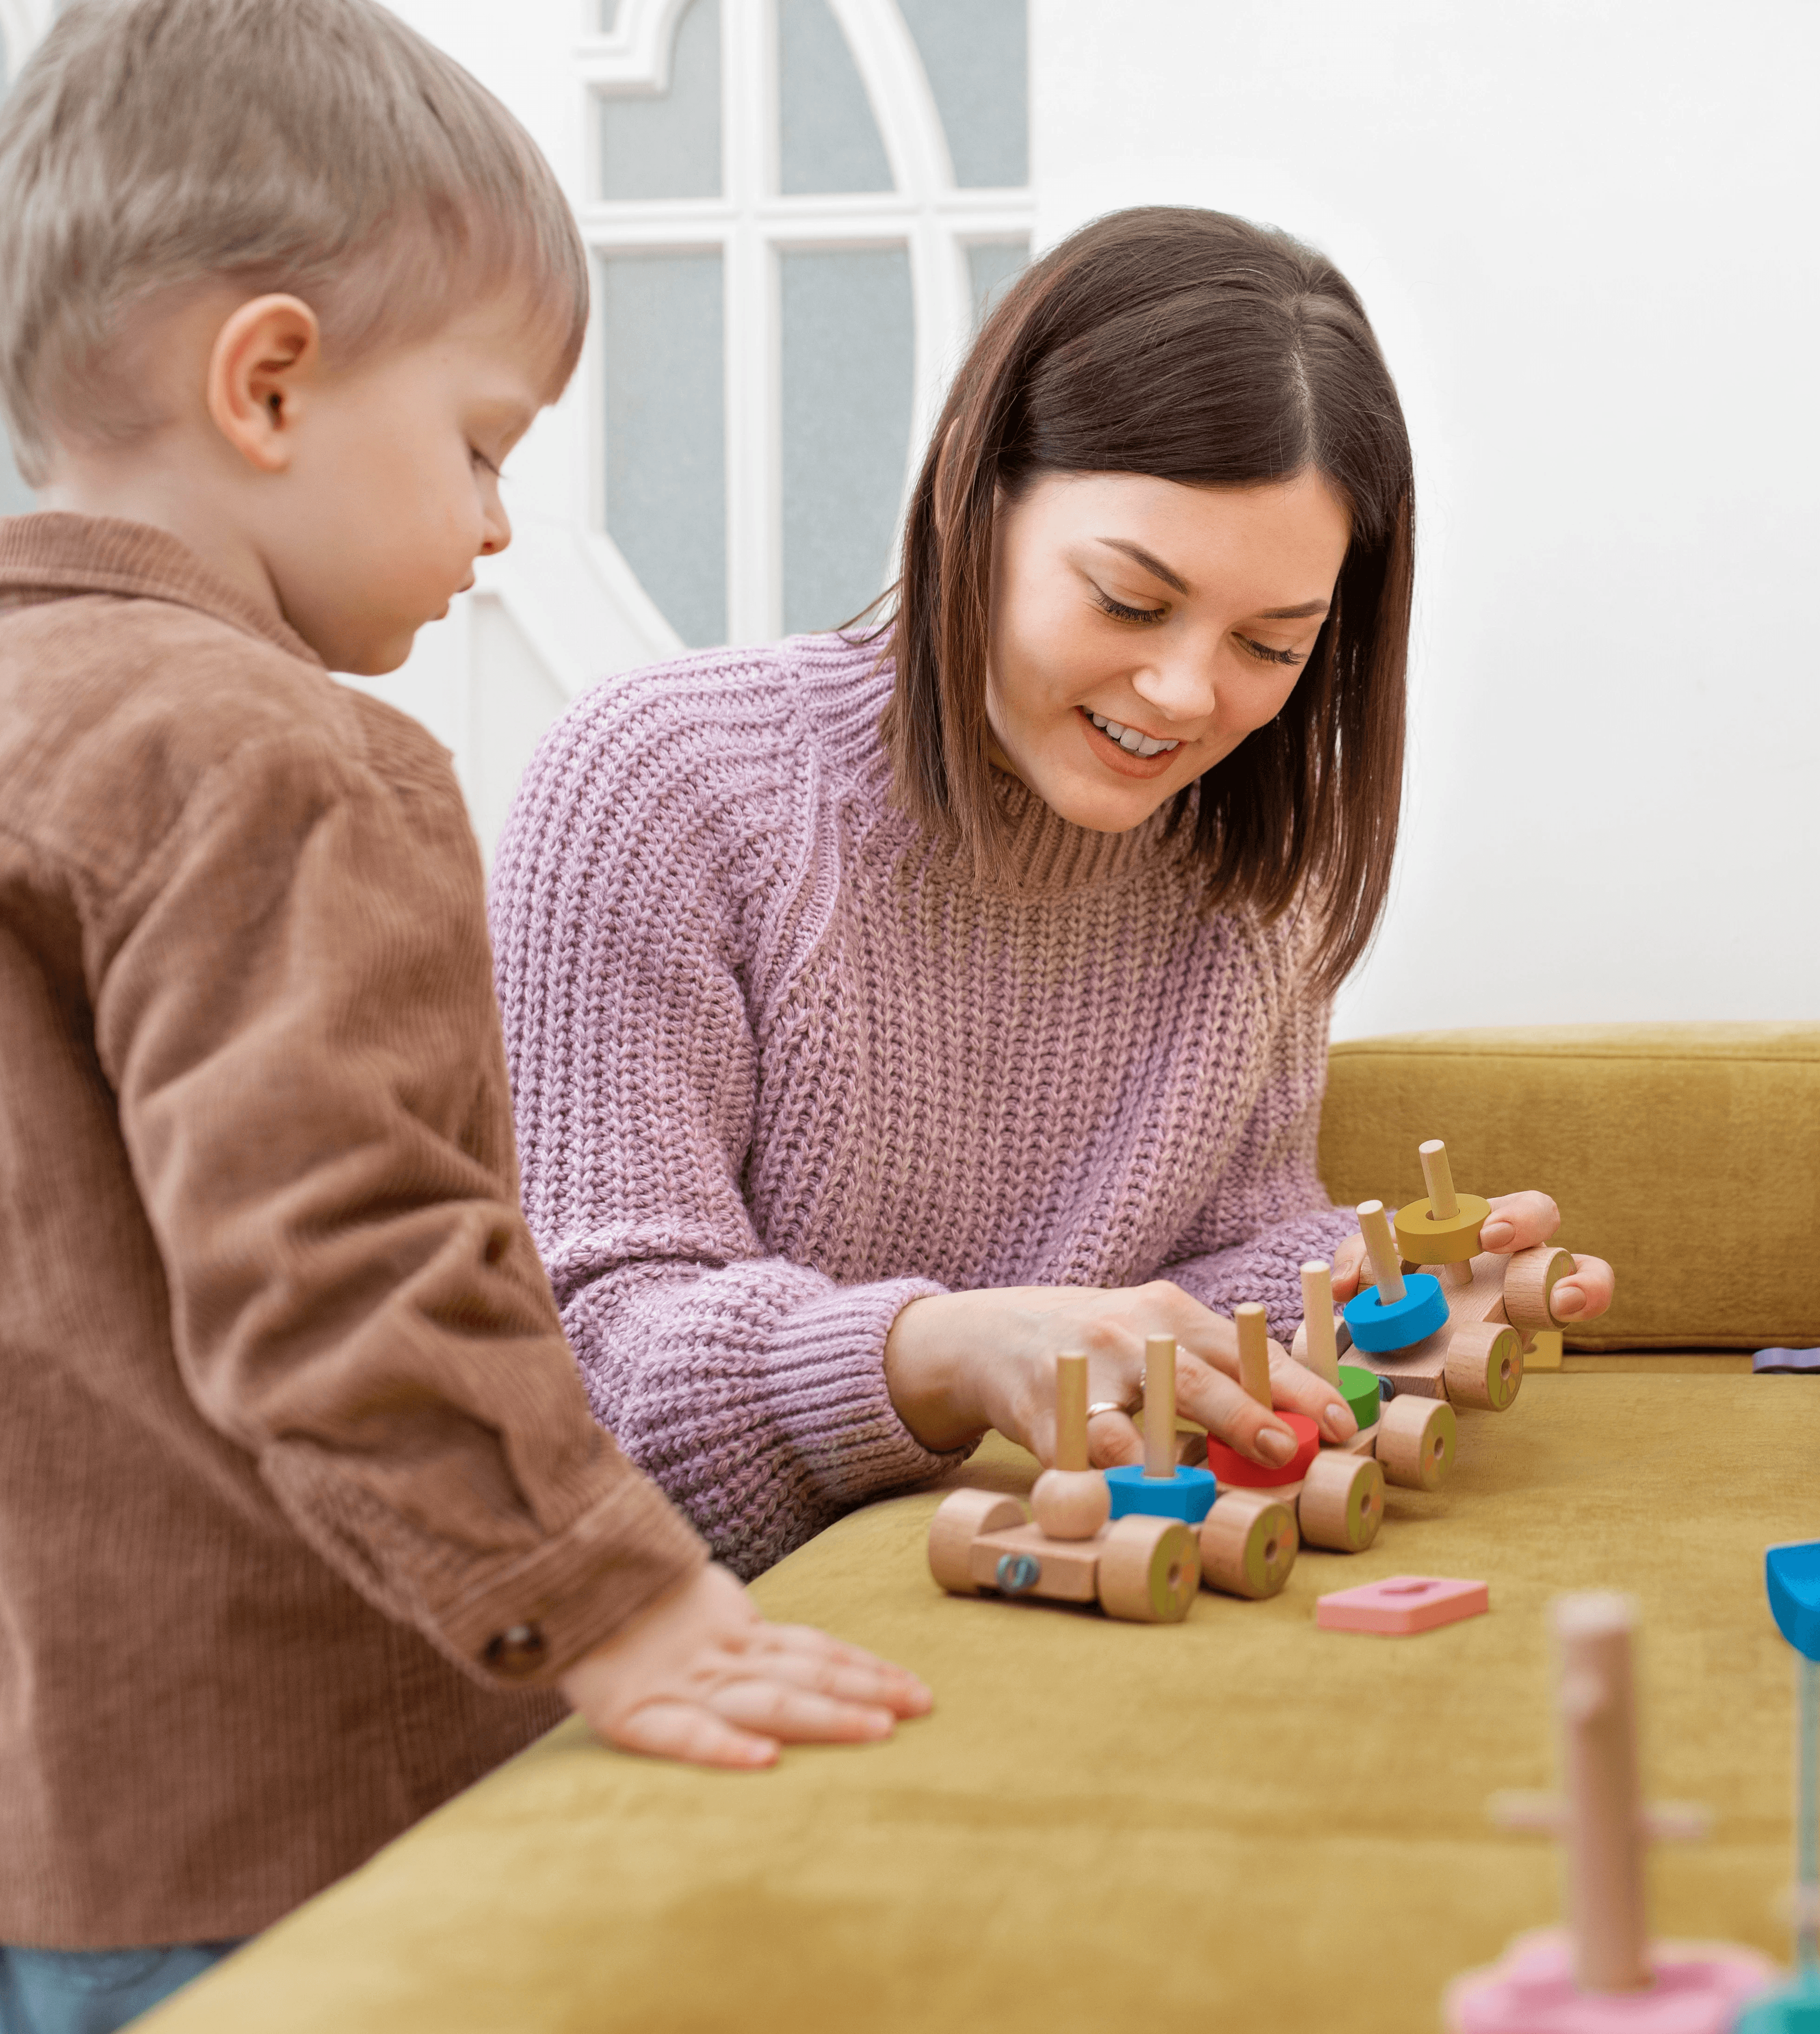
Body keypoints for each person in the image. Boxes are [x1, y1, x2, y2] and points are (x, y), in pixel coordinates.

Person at [0, 4, 925, 2029]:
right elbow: (346, 1253)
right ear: (269, 381)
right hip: (280, 1782)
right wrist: (613, 1596)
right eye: (478, 444)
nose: (498, 526)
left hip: (15, 1780)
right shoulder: (281, 760)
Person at [491, 207, 1617, 1582]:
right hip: (675, 1645)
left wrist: (1381, 1296)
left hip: (1056, 1585)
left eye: (1273, 645)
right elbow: (590, 1366)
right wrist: (944, 1353)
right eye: (1131, 604)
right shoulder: (667, 784)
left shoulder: (1253, 877)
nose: (1189, 696)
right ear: (981, 501)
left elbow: (1206, 1267)